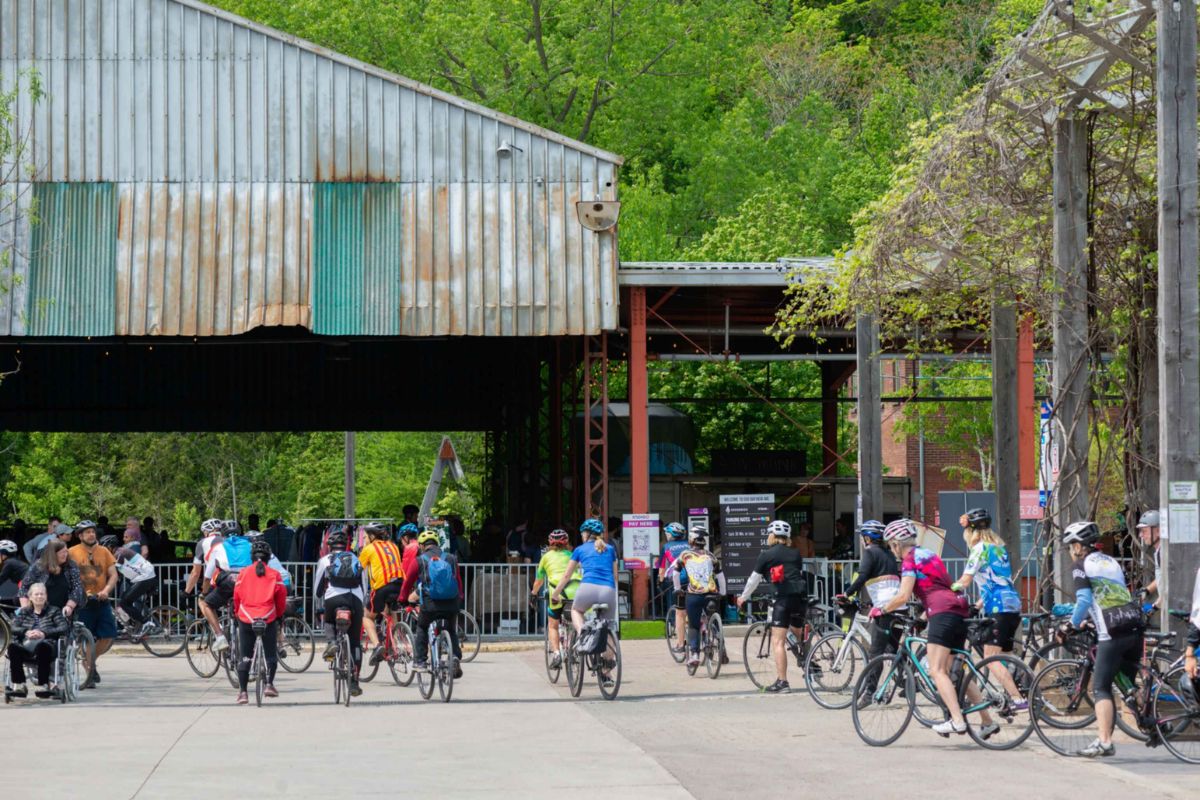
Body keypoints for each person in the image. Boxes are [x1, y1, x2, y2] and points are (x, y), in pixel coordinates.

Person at [873, 518, 977, 737]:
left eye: (891, 545)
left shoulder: (910, 561)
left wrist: (882, 610)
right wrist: (922, 614)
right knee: (954, 672)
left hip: (941, 612)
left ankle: (957, 721)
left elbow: (902, 596)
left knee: (936, 670)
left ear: (896, 544)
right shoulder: (930, 555)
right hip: (959, 608)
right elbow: (945, 586)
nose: (893, 551)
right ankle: (987, 721)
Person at [1060, 520, 1146, 757]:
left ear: (1078, 546)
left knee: (1101, 688)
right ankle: (1155, 721)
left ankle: (1105, 741)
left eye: (1071, 546)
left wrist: (1071, 625)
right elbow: (1113, 594)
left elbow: (1085, 599)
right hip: (1133, 626)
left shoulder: (1081, 565)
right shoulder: (1111, 561)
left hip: (1112, 631)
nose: (1070, 551)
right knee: (1128, 685)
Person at [951, 509, 1027, 708]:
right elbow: (995, 582)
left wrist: (947, 590)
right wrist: (976, 606)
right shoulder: (998, 549)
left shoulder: (979, 549)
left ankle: (1018, 700)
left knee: (990, 659)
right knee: (1006, 657)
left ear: (971, 532)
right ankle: (1025, 688)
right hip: (1011, 604)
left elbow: (965, 581)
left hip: (998, 606)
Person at [735, 520, 808, 694]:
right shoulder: (796, 553)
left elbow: (754, 579)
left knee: (778, 642)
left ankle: (782, 682)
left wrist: (742, 598)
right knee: (799, 634)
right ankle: (809, 661)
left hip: (782, 599)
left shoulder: (766, 555)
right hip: (800, 598)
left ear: (772, 536)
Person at [837, 520, 901, 663]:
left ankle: (870, 686)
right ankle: (905, 679)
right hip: (898, 605)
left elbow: (862, 576)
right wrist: (871, 602)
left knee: (876, 654)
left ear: (867, 538)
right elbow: (886, 582)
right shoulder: (889, 554)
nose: (861, 540)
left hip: (885, 607)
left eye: (862, 537)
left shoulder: (870, 552)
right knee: (891, 651)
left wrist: (847, 593)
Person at [232, 538, 287, 704]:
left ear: (251, 557)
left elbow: (236, 597)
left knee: (245, 656)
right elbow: (281, 597)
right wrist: (278, 615)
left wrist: (236, 613)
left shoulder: (243, 573)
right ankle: (269, 684)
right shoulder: (275, 575)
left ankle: (243, 693)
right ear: (269, 557)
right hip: (267, 617)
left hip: (246, 617)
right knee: (271, 654)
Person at [401, 530, 463, 676]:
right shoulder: (451, 558)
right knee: (451, 629)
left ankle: (421, 661)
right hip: (451, 603)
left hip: (430, 604)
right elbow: (458, 581)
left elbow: (407, 582)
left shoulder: (420, 560)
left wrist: (402, 599)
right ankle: (454, 657)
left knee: (422, 627)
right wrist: (459, 598)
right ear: (437, 544)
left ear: (422, 546)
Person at [314, 530, 368, 696]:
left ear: (329, 545)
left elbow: (317, 587)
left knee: (329, 620)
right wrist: (362, 601)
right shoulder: (356, 559)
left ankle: (332, 643)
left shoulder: (325, 560)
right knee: (355, 642)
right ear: (346, 545)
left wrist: (318, 600)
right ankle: (354, 682)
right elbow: (364, 585)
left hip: (334, 598)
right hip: (355, 599)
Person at [68, 520, 118, 688]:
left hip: (101, 600)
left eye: (92, 531)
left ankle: (89, 661)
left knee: (109, 635)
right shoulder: (71, 553)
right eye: (87, 532)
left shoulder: (104, 551)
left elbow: (113, 575)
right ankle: (90, 669)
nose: (91, 534)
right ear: (80, 536)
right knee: (85, 637)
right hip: (83, 603)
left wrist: (107, 590)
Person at [551, 518, 619, 639]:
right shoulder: (610, 549)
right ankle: (608, 658)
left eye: (582, 533)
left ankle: (583, 634)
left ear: (586, 534)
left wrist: (555, 594)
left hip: (587, 588)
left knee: (576, 611)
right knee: (608, 627)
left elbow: (567, 575)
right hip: (608, 589)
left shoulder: (579, 549)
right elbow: (615, 576)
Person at [667, 531, 726, 668]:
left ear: (691, 541)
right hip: (712, 594)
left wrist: (677, 589)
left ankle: (694, 654)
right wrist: (722, 593)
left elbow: (675, 574)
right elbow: (720, 576)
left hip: (694, 595)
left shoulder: (685, 555)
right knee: (713, 619)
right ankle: (721, 646)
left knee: (694, 625)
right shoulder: (711, 555)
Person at [4, 583, 70, 699]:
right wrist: (26, 632)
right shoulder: (24, 612)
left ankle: (43, 684)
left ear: (46, 596)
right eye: (36, 594)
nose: (39, 596)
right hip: (27, 645)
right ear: (30, 597)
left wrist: (44, 633)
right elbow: (13, 627)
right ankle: (20, 685)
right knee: (13, 648)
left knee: (42, 647)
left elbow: (63, 627)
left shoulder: (54, 611)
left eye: (42, 594)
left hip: (47, 645)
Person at [200, 521, 255, 654]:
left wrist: (204, 592)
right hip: (247, 582)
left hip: (228, 583)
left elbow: (207, 576)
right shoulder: (249, 545)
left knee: (206, 604)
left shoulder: (219, 547)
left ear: (223, 534)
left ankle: (220, 637)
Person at [358, 522, 405, 666]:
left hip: (382, 587)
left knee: (367, 616)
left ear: (372, 536)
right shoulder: (393, 546)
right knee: (390, 611)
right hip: (399, 584)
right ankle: (396, 645)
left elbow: (357, 569)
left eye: (365, 537)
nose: (364, 540)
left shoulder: (369, 548)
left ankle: (378, 646)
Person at [531, 529, 579, 668]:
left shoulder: (545, 557)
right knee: (575, 619)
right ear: (566, 542)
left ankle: (557, 654)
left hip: (557, 594)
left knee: (553, 625)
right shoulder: (571, 555)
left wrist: (533, 594)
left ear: (550, 542)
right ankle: (573, 649)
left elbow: (538, 581)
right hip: (575, 591)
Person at [19, 540, 84, 620]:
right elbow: (24, 588)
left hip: (63, 612)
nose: (65, 555)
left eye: (66, 552)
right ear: (53, 554)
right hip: (40, 612)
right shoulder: (39, 566)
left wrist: (70, 606)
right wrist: (25, 610)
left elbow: (77, 588)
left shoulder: (71, 565)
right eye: (62, 553)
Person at [109, 536, 157, 638]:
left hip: (144, 577)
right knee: (125, 601)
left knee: (124, 602)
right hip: (146, 576)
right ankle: (130, 627)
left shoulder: (118, 554)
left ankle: (146, 623)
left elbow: (113, 573)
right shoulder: (121, 551)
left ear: (109, 547)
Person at [657, 522, 691, 653]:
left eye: (667, 533)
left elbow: (661, 569)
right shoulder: (689, 544)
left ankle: (680, 643)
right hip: (695, 580)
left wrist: (660, 581)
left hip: (680, 580)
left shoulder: (666, 547)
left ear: (670, 535)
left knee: (679, 612)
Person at [184, 518, 225, 601]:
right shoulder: (228, 540)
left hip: (216, 579)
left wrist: (186, 592)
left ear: (206, 532)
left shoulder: (202, 543)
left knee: (202, 602)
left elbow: (195, 573)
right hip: (236, 577)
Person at [1136, 510, 1162, 610]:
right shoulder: (1159, 551)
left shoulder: (1165, 554)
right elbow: (1163, 578)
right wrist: (1147, 590)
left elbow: (1170, 585)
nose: (1140, 535)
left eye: (1144, 531)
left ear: (1158, 531)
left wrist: (1154, 607)